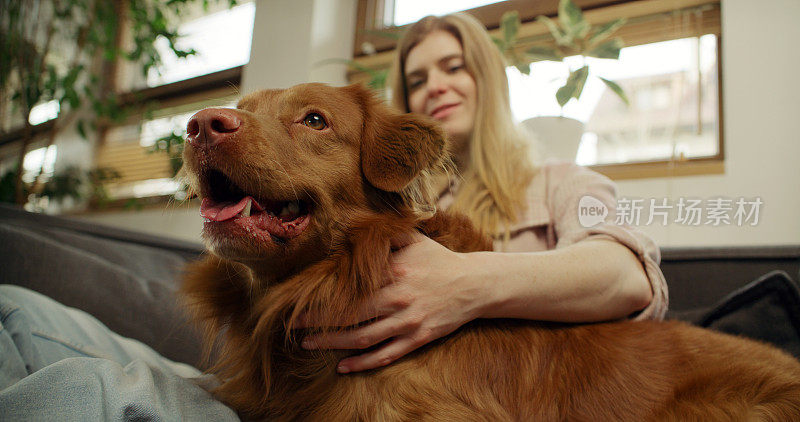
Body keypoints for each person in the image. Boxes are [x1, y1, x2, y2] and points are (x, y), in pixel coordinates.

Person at [298, 13, 668, 374]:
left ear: (488, 77)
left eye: (454, 67)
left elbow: (627, 278)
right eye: (417, 81)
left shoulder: (563, 182)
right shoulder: (396, 207)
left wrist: (467, 283)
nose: (436, 86)